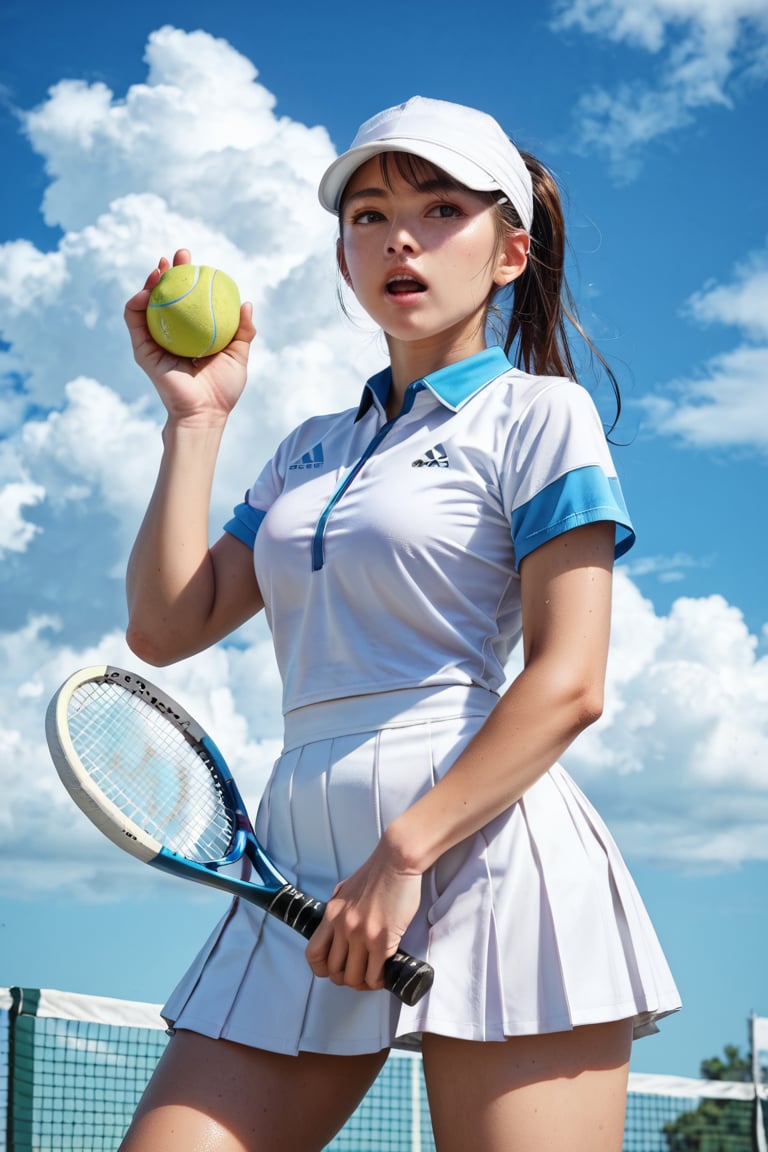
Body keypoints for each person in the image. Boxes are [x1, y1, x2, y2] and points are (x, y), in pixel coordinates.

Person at [120, 96, 680, 1152]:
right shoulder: (307, 448)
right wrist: (196, 419)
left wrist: (404, 854)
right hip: (293, 871)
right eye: (369, 215)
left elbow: (570, 680)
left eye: (439, 209)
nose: (400, 238)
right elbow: (165, 626)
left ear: (510, 252)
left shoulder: (539, 415)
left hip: (482, 852)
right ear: (344, 253)